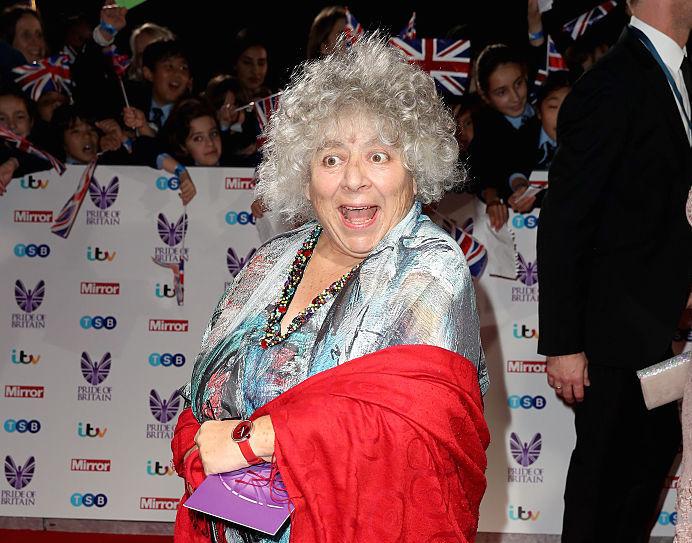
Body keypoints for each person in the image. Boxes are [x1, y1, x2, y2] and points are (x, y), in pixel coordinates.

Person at [172, 32, 489, 543]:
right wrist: (195, 438)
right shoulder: (271, 260)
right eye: (332, 158)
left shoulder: (432, 266)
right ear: (303, 171)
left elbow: (420, 429)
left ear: (416, 167)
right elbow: (201, 389)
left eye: (380, 156)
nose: (354, 180)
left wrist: (257, 440)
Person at [537, 0, 692, 540]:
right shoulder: (611, 84)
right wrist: (562, 343)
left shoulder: (680, 74)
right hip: (611, 336)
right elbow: (565, 219)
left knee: (643, 480)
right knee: (603, 487)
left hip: (665, 332)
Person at [472, 44, 540, 229]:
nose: (515, 97)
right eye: (502, 92)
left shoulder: (546, 110)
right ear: (485, 96)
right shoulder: (483, 127)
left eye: (518, 83)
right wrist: (493, 199)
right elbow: (484, 172)